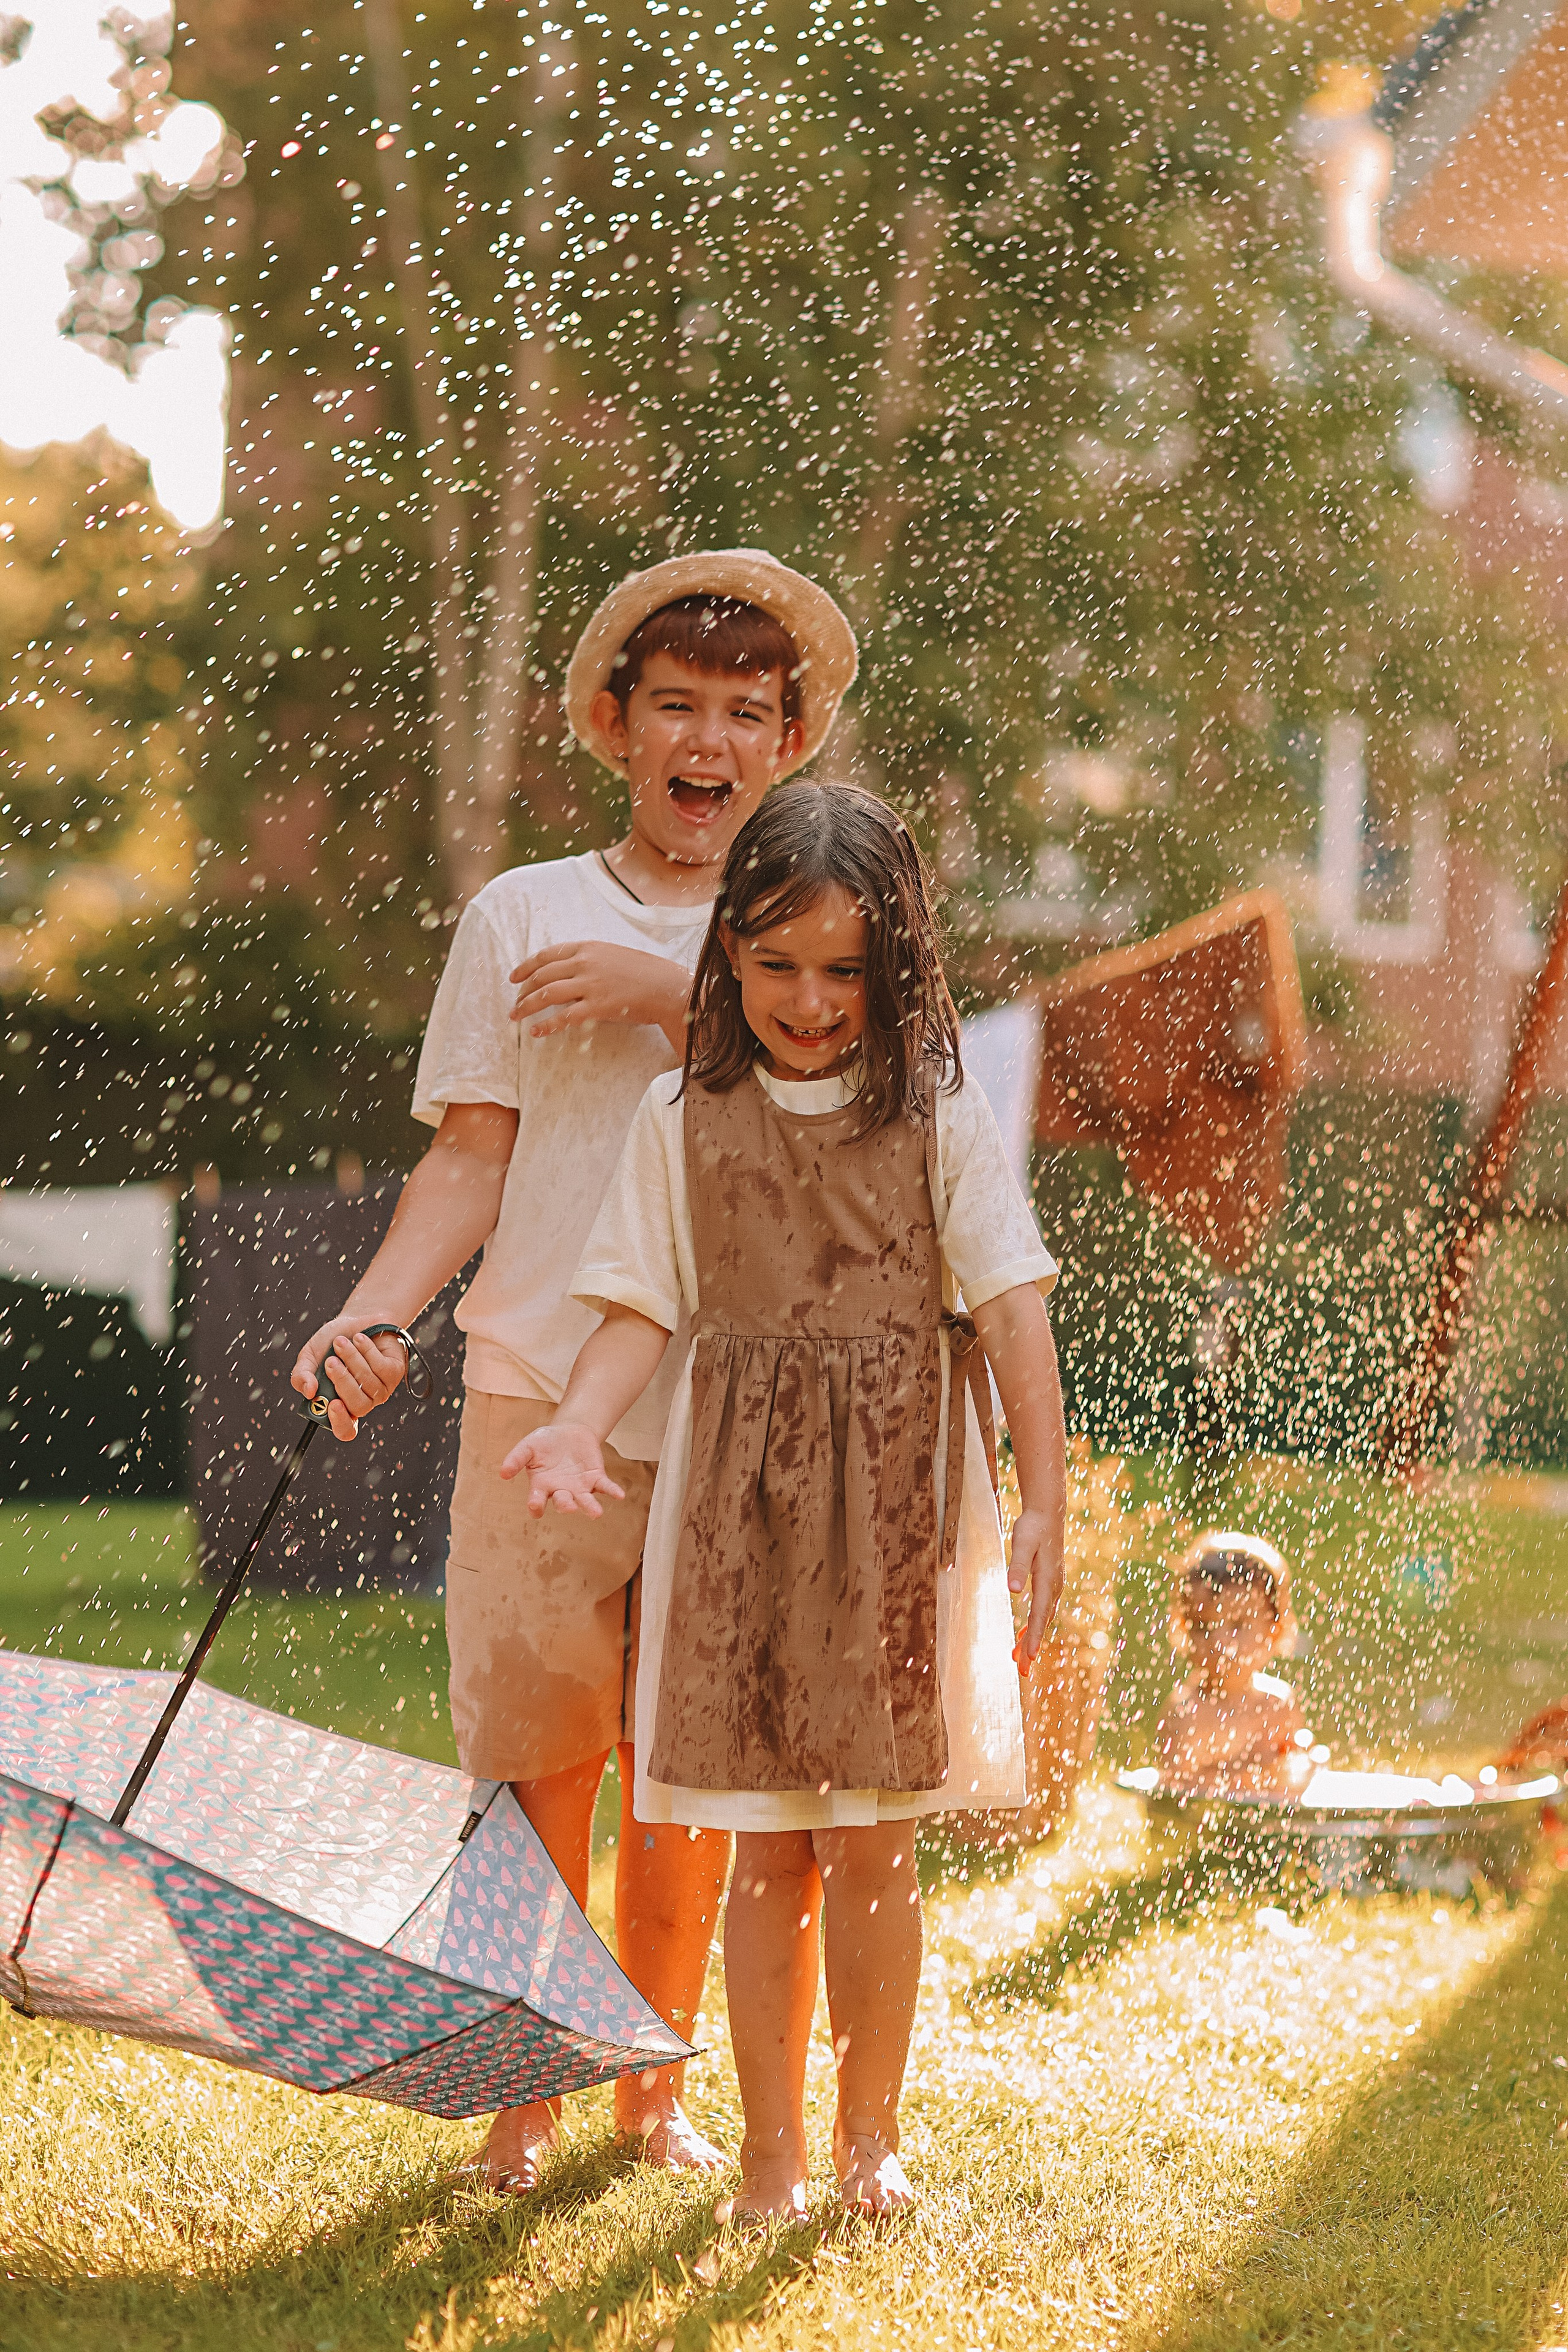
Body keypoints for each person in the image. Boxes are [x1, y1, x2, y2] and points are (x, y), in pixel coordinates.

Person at [289, 551, 859, 2192]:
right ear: (615, 726)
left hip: (745, 1399)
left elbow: (853, 1116)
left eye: (744, 713)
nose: (707, 740)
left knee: (690, 1777)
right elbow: (471, 1158)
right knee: (534, 1759)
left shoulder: (822, 923)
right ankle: (519, 2095)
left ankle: (650, 2090)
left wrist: (676, 994)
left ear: (787, 741)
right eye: (675, 706)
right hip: (540, 1385)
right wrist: (373, 1315)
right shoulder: (522, 915)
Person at [510, 784, 1068, 2218]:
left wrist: (1042, 1503)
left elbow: (1012, 1312)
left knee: (871, 1844)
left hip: (891, 1517)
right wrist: (574, 1420)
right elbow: (636, 1308)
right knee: (765, 1851)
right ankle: (770, 2156)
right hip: (739, 1525)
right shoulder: (680, 1115)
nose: (809, 1001)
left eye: (843, 969)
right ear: (727, 955)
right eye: (775, 965)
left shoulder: (935, 1114)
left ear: (896, 962)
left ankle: (868, 2140)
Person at [1155, 1531, 1309, 1798]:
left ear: (1273, 1630)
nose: (1218, 1641)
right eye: (1202, 1626)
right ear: (1183, 1627)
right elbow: (1174, 1790)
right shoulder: (1185, 1712)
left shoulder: (1278, 1705)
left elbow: (1291, 1780)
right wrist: (1252, 1779)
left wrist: (1306, 1765)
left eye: (1238, 1625)